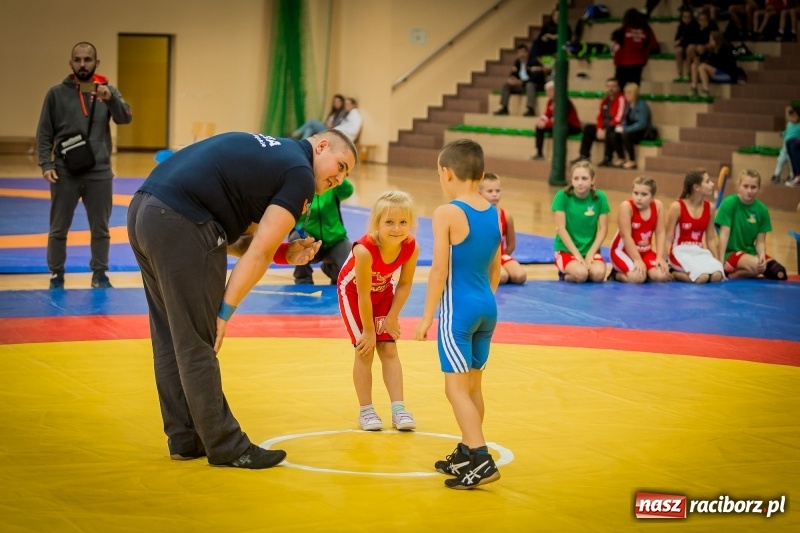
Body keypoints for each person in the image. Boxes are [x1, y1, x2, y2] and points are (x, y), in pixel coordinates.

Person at [126, 129, 358, 469]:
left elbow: (236, 239)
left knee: (170, 335)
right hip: (180, 221)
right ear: (321, 146)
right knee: (197, 341)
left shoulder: (276, 154)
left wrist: (284, 254)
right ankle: (227, 445)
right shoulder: (300, 174)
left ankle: (186, 437)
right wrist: (223, 313)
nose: (338, 179)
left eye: (345, 176)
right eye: (339, 166)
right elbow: (256, 250)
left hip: (146, 213)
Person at [414, 139, 502, 490]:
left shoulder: (447, 212)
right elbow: (495, 266)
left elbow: (438, 271)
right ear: (480, 174)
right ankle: (467, 450)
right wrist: (484, 300)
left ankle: (480, 457)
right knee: (473, 386)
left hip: (459, 312)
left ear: (446, 174)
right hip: (487, 307)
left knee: (455, 390)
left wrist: (426, 317)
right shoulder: (493, 211)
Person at [36, 41, 133, 290]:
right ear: (71, 63)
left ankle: (99, 274)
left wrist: (110, 99)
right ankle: (56, 275)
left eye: (87, 59)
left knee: (100, 228)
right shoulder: (56, 94)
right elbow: (44, 132)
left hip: (99, 172)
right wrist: (46, 163)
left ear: (96, 63)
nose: (82, 64)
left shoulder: (108, 91)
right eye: (77, 60)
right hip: (64, 172)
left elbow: (125, 118)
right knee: (58, 227)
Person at [337, 190, 420, 432]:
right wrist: (369, 331)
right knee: (365, 349)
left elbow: (404, 284)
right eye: (389, 222)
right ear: (377, 223)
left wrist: (392, 317)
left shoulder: (411, 247)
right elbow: (362, 294)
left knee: (390, 348)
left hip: (383, 290)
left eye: (403, 222)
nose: (397, 228)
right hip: (353, 293)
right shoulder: (364, 250)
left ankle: (399, 409)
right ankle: (366, 411)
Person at [715, 169, 787, 280]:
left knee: (779, 273)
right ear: (739, 186)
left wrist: (762, 255)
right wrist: (719, 262)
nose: (749, 191)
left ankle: (741, 272)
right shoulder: (729, 203)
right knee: (755, 266)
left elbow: (760, 241)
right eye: (745, 186)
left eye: (753, 187)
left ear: (759, 188)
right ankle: (732, 274)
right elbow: (723, 235)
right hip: (730, 254)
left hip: (749, 252)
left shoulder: (762, 209)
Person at [552, 161, 610, 283]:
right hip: (566, 251)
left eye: (584, 178)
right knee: (581, 274)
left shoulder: (600, 197)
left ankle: (583, 268)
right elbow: (561, 229)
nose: (580, 183)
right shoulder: (562, 196)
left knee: (598, 275)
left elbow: (603, 229)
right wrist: (577, 255)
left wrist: (590, 254)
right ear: (571, 180)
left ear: (592, 180)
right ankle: (565, 274)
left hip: (590, 251)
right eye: (576, 178)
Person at [664, 169, 725, 283]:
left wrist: (717, 261)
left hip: (698, 252)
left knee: (717, 275)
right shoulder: (677, 207)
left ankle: (699, 271)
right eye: (707, 181)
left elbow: (711, 238)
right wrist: (664, 262)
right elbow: (667, 238)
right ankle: (675, 272)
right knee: (702, 278)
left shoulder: (710, 207)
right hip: (679, 252)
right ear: (696, 187)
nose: (712, 184)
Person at [288, 178, 354, 284]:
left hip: (335, 240)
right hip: (310, 239)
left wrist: (338, 174)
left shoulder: (333, 185)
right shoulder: (300, 184)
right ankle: (303, 277)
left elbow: (348, 191)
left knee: (348, 273)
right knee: (297, 239)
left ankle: (330, 269)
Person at [608, 176, 671, 283]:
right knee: (638, 278)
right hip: (622, 251)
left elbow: (660, 232)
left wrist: (660, 257)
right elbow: (626, 236)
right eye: (635, 193)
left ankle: (644, 271)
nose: (639, 198)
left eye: (644, 194)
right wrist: (637, 260)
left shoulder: (658, 206)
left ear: (652, 197)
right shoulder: (626, 207)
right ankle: (616, 274)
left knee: (662, 276)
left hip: (645, 251)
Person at [479, 172, 526, 284]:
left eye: (498, 191)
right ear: (479, 193)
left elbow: (511, 244)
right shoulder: (476, 215)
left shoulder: (506, 215)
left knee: (520, 276)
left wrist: (504, 258)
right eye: (490, 191)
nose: (495, 194)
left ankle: (496, 271)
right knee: (502, 277)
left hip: (500, 255)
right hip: (482, 258)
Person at [570, 78, 626, 167]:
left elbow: (619, 118)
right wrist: (599, 128)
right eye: (609, 86)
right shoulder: (604, 100)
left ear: (618, 87)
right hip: (603, 127)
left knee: (610, 131)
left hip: (615, 127)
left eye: (613, 86)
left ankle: (607, 158)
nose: (611, 89)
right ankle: (584, 156)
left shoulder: (621, 99)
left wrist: (606, 129)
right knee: (588, 128)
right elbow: (599, 116)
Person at [531, 80, 582, 160]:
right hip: (557, 124)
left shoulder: (564, 101)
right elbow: (547, 115)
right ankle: (539, 153)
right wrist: (541, 121)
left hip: (571, 125)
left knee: (558, 129)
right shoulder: (550, 102)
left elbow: (561, 118)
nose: (548, 94)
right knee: (539, 127)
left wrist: (546, 124)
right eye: (547, 91)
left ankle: (558, 155)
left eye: (549, 91)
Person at [611, 8, 660, 91]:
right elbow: (650, 46)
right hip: (638, 64)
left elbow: (617, 49)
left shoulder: (622, 31)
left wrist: (616, 62)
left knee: (620, 91)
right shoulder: (645, 29)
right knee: (633, 91)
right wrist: (643, 60)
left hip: (623, 64)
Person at [493, 43, 546, 117]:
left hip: (535, 84)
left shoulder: (533, 61)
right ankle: (504, 108)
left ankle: (531, 109)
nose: (521, 55)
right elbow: (513, 73)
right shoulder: (517, 62)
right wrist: (512, 79)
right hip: (522, 84)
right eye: (519, 53)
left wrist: (521, 82)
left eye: (523, 52)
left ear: (527, 53)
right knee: (506, 84)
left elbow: (536, 77)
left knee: (529, 85)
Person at [616, 83, 652, 170]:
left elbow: (642, 123)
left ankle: (632, 160)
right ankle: (621, 157)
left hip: (641, 130)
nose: (627, 95)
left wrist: (626, 129)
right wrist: (622, 127)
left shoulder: (642, 106)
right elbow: (625, 118)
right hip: (631, 128)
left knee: (626, 136)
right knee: (614, 134)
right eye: (626, 93)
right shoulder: (628, 105)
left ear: (635, 94)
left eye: (629, 93)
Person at [690, 30, 738, 96]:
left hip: (727, 75)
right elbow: (704, 58)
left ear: (716, 40)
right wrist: (698, 60)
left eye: (711, 40)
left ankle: (706, 90)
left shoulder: (726, 48)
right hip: (715, 73)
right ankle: (694, 88)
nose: (709, 42)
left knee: (702, 67)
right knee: (694, 65)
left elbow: (718, 64)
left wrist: (709, 57)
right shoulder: (711, 49)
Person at [774, 105, 800, 185]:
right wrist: (782, 133)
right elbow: (787, 132)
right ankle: (793, 175)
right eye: (791, 117)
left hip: (795, 143)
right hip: (787, 144)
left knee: (792, 157)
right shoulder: (789, 124)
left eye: (794, 116)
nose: (792, 119)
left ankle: (796, 174)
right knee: (784, 158)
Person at [674, 6, 700, 82]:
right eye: (685, 17)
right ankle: (679, 73)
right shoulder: (681, 26)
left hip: (692, 45)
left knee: (689, 48)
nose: (686, 19)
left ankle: (687, 73)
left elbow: (695, 39)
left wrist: (681, 41)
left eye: (688, 17)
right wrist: (677, 42)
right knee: (678, 50)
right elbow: (676, 40)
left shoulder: (695, 25)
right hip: (683, 44)